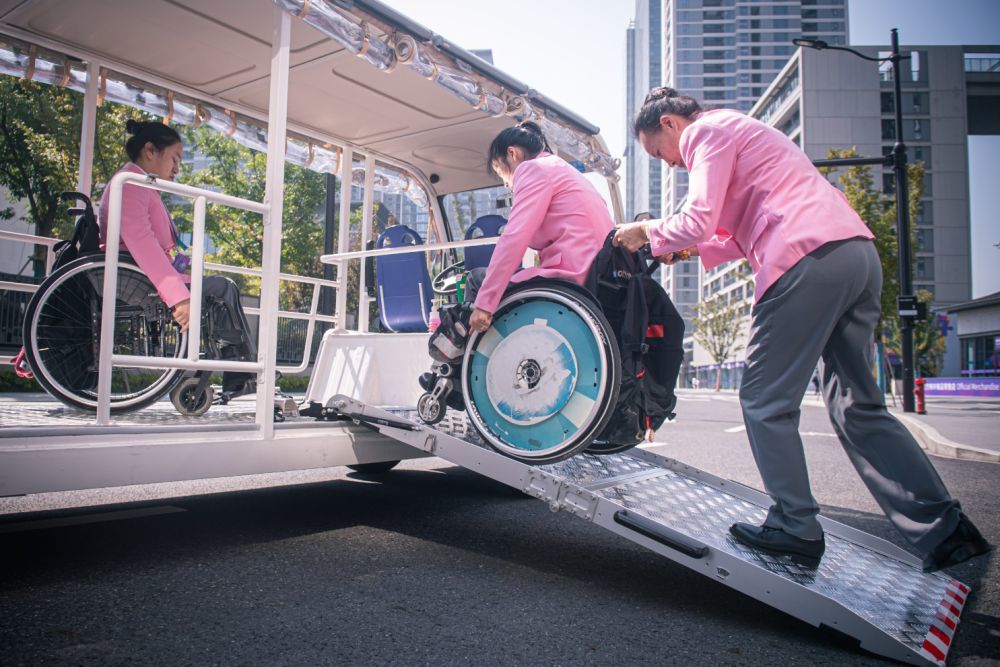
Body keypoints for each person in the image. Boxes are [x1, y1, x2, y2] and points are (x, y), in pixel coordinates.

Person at [614, 87, 990, 572]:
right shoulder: (744, 132)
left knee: (764, 399)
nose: (667, 164)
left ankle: (795, 526)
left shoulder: (706, 132)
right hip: (854, 253)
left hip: (802, 257)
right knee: (857, 405)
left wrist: (644, 232)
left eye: (658, 153)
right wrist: (684, 250)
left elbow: (700, 217)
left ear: (670, 124)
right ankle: (947, 529)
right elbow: (730, 230)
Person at [99, 119, 257, 399]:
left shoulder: (139, 183)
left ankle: (241, 370)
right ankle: (241, 370)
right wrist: (178, 297)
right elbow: (142, 242)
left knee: (222, 286)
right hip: (133, 276)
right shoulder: (131, 183)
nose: (177, 168)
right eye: (174, 158)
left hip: (137, 272)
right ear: (150, 150)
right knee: (222, 288)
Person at [466, 121, 615, 333]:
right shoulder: (564, 170)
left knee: (476, 279)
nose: (506, 184)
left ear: (512, 154)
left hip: (570, 275)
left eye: (501, 172)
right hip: (595, 275)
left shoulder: (532, 169)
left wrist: (484, 305)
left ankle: (457, 359)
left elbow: (514, 238)